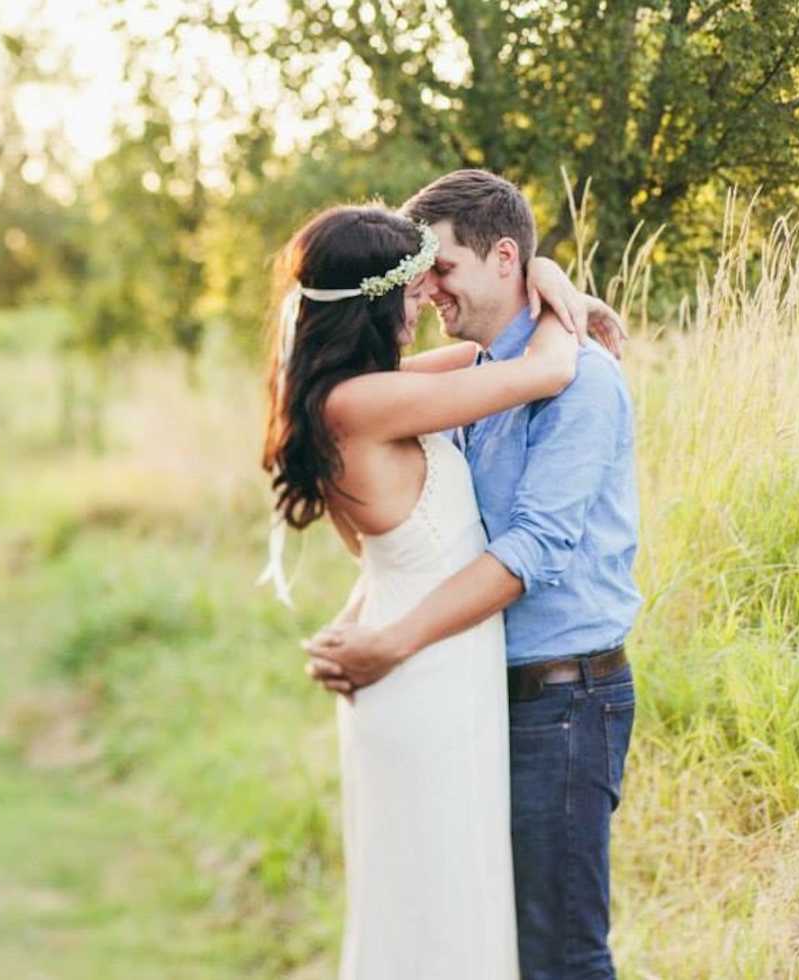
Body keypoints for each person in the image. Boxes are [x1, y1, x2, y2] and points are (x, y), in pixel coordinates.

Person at [261, 198, 619, 979]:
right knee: (439, 910)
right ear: (377, 300)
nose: (426, 297)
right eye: (413, 287)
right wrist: (559, 293)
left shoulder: (368, 389)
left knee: (455, 902)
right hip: (417, 666)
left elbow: (497, 357)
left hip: (430, 661)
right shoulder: (364, 402)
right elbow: (546, 368)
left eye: (434, 277)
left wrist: (545, 275)